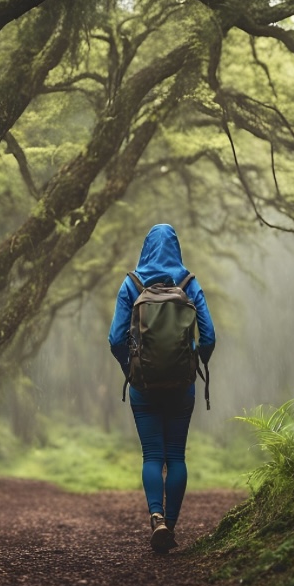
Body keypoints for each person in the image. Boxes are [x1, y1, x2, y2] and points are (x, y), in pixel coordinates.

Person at [108, 223, 216, 553]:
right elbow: (209, 336)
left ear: (145, 247)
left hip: (144, 387)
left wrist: (133, 368)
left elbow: (115, 340)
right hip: (182, 386)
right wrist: (191, 361)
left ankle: (157, 519)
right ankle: (171, 523)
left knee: (152, 455)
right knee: (177, 456)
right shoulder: (188, 283)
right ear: (176, 248)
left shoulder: (132, 283)